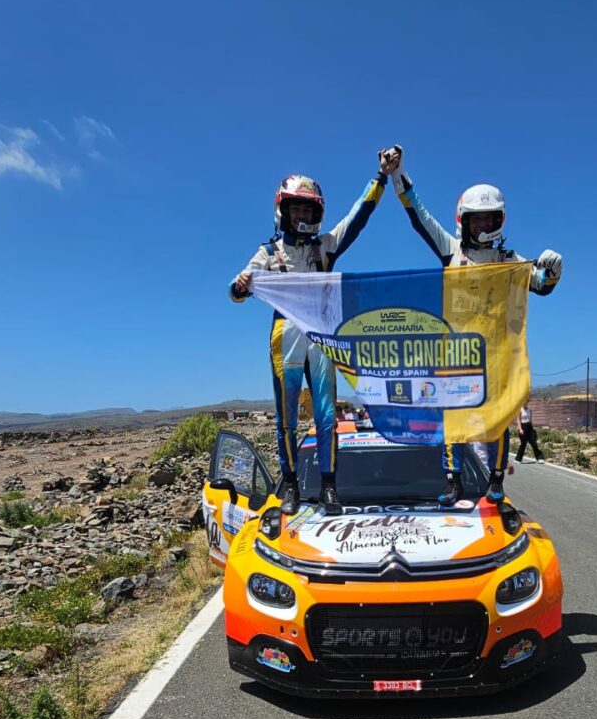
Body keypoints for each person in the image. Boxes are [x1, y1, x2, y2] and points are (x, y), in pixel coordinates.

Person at [378, 146, 562, 505]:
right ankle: (453, 481)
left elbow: (539, 284)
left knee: (498, 418)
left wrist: (554, 272)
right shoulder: (451, 251)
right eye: (475, 219)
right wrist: (397, 175)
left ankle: (496, 482)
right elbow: (420, 217)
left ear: (499, 222)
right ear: (463, 220)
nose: (481, 225)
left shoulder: (510, 260)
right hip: (457, 352)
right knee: (454, 417)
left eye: (488, 219)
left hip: (496, 354)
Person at [230, 163, 391, 515]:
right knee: (286, 417)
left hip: (321, 337)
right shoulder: (268, 254)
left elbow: (357, 219)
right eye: (296, 208)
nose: (302, 214)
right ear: (283, 211)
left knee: (327, 415)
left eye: (308, 208)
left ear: (317, 212)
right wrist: (241, 285)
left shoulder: (325, 247)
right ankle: (289, 485)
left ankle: (329, 487)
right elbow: (237, 291)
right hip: (284, 336)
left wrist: (379, 178)